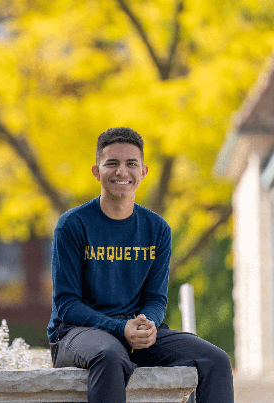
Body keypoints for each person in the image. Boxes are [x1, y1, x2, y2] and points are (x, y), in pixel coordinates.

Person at [47, 127, 234, 403]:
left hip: (135, 332)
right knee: (110, 355)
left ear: (143, 171)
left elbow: (156, 298)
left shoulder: (157, 229)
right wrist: (119, 328)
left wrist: (148, 325)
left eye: (131, 164)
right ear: (96, 171)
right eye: (112, 163)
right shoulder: (73, 225)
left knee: (215, 360)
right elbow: (67, 304)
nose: (122, 171)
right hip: (77, 334)